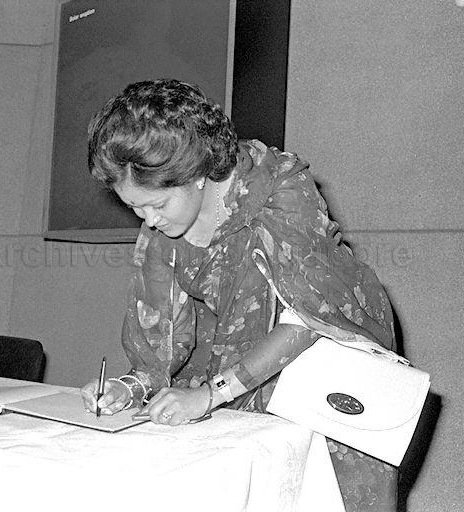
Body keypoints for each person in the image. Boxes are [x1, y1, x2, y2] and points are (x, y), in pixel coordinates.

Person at [80, 79, 398, 511]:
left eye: (157, 205)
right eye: (135, 207)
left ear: (195, 176)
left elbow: (309, 318)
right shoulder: (163, 223)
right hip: (232, 354)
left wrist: (211, 394)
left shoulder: (280, 192)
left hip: (326, 353)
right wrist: (132, 385)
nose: (149, 220)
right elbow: (160, 331)